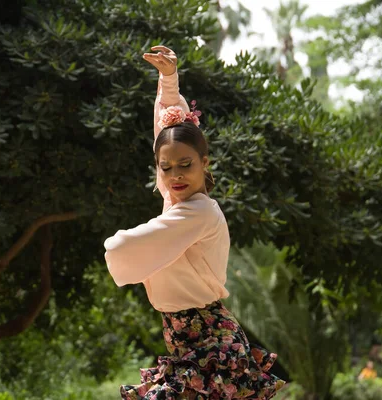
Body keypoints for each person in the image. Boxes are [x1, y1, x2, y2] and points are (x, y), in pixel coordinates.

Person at [103, 46, 286, 399]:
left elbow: (124, 248)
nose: (175, 175)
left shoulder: (197, 213)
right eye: (165, 168)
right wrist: (169, 80)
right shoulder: (178, 202)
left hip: (210, 347)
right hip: (190, 343)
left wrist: (112, 244)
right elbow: (168, 133)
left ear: (205, 162)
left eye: (186, 165)